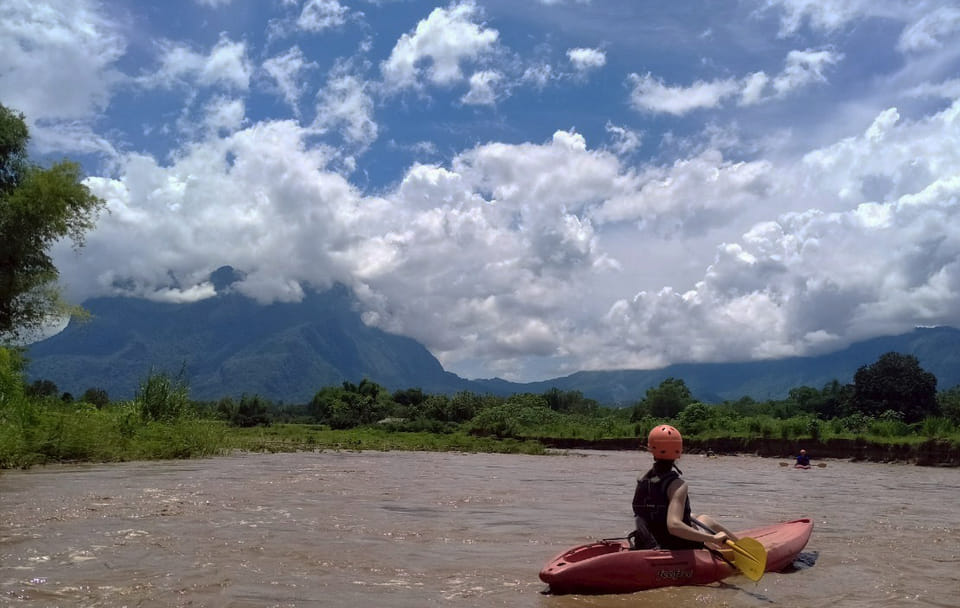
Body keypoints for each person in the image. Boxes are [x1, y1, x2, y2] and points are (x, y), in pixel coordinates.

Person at [630, 424, 739, 550]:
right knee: (705, 519)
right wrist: (713, 538)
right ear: (679, 451)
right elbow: (674, 526)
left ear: (651, 448)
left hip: (646, 542)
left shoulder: (643, 478)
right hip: (673, 546)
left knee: (693, 516)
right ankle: (739, 548)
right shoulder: (677, 485)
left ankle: (733, 545)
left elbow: (656, 513)